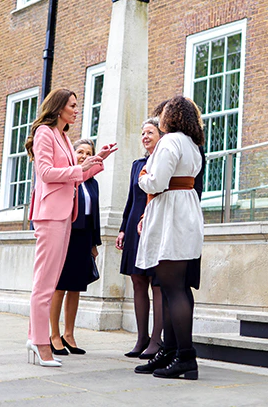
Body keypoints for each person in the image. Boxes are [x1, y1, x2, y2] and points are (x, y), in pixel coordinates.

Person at [23, 88, 117, 367]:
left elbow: (74, 179)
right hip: (50, 214)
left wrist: (97, 160)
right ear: (59, 107)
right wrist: (80, 168)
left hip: (66, 214)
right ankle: (41, 343)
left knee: (50, 281)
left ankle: (34, 337)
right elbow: (46, 174)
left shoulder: (64, 136)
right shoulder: (45, 133)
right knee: (45, 284)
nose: (77, 110)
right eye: (73, 106)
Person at [134, 96, 204, 380]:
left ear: (170, 116)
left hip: (171, 215)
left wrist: (142, 176)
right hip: (186, 212)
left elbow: (156, 181)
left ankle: (185, 357)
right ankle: (172, 351)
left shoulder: (171, 141)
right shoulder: (191, 143)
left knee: (172, 288)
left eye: (161, 113)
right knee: (178, 286)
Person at [49, 138, 102, 357]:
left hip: (83, 237)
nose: (84, 156)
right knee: (59, 286)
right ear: (72, 154)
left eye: (89, 153)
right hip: (66, 234)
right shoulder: (68, 177)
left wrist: (94, 243)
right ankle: (53, 335)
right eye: (80, 152)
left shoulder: (92, 182)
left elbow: (95, 214)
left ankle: (69, 335)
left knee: (76, 287)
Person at [116, 118, 164, 359]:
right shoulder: (137, 165)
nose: (145, 136)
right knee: (137, 281)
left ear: (161, 135)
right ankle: (141, 337)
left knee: (157, 283)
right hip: (134, 223)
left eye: (150, 132)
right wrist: (123, 228)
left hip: (155, 222)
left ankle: (157, 340)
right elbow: (131, 199)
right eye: (142, 133)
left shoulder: (164, 160)